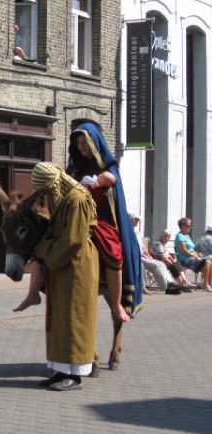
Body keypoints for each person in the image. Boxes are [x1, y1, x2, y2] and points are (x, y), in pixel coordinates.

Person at [28, 162, 99, 391]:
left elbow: (74, 240)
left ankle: (75, 375)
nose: (46, 194)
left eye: (47, 189)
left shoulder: (76, 199)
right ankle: (60, 370)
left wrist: (44, 250)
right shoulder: (65, 196)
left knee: (73, 318)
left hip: (76, 264)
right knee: (58, 317)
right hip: (63, 263)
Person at [67, 123, 140, 320]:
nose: (82, 146)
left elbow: (111, 180)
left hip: (99, 219)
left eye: (85, 142)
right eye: (79, 142)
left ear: (94, 142)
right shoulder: (74, 170)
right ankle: (36, 290)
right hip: (76, 218)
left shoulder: (108, 167)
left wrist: (99, 181)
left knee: (113, 251)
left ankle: (116, 305)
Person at [129, 213, 185, 294]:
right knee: (155, 266)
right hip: (135, 256)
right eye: (136, 220)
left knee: (160, 264)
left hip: (142, 255)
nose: (138, 221)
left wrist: (148, 255)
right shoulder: (127, 231)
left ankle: (170, 283)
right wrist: (143, 255)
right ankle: (166, 288)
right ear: (131, 220)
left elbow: (142, 246)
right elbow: (131, 247)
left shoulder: (136, 231)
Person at [175, 217, 212, 291]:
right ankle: (206, 284)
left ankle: (209, 283)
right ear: (183, 226)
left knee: (210, 262)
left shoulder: (187, 236)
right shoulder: (179, 236)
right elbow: (184, 250)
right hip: (184, 259)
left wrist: (197, 253)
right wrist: (194, 255)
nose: (190, 227)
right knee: (207, 262)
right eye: (188, 226)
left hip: (191, 257)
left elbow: (192, 249)